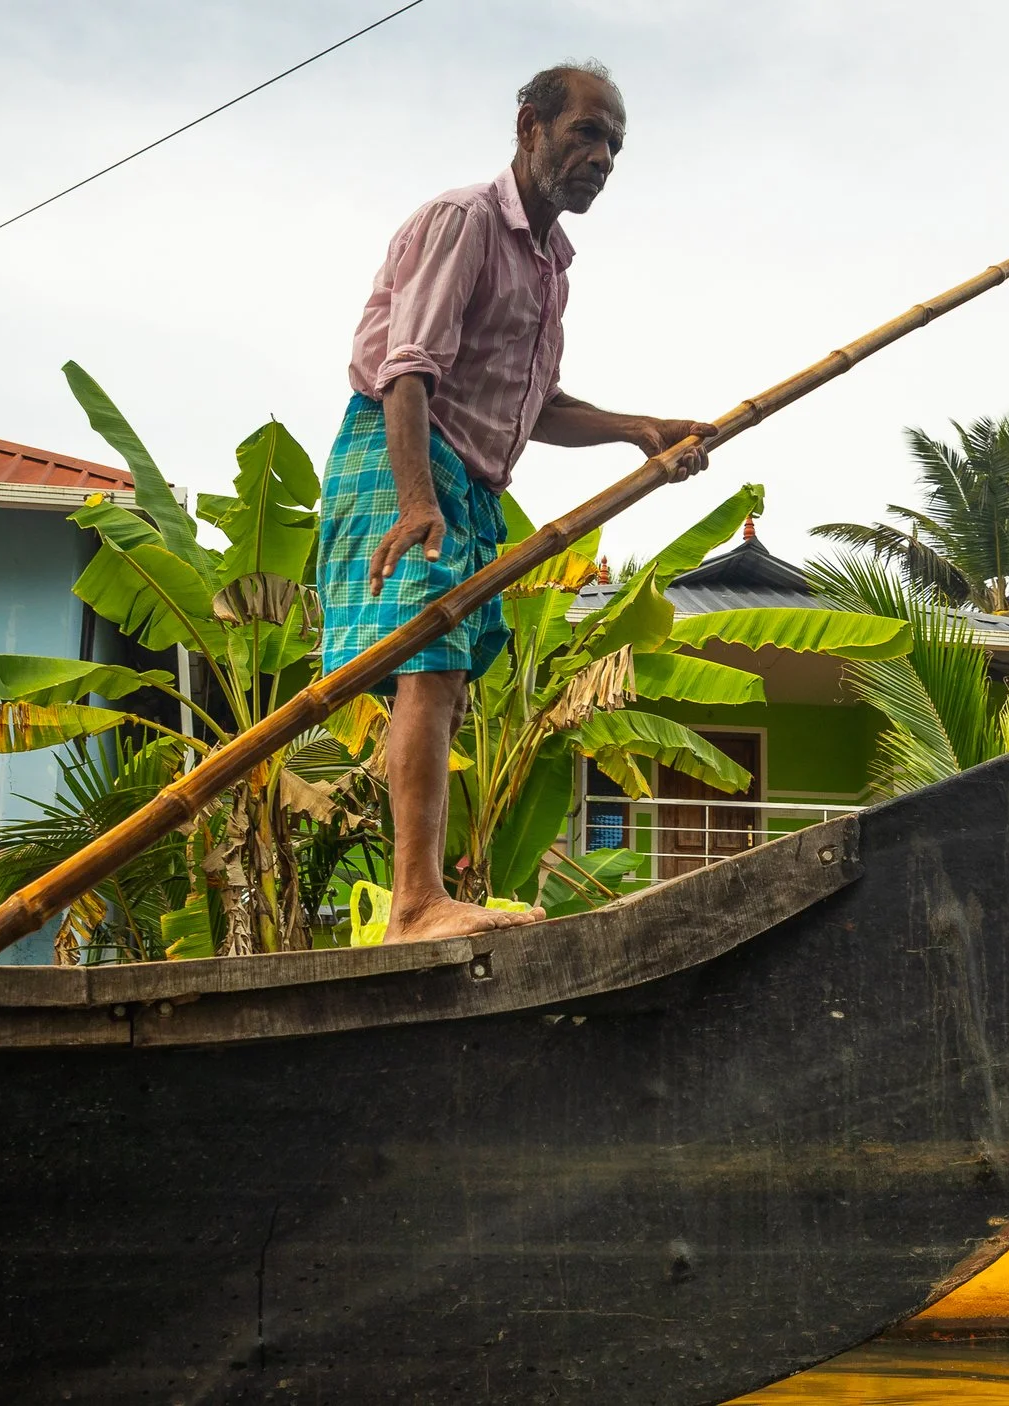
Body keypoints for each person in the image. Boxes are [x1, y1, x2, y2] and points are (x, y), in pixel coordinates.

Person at [322, 61, 716, 944]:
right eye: (587, 132)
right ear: (529, 126)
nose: (603, 157)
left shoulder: (551, 269)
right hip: (400, 455)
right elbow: (408, 368)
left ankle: (426, 896)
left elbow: (536, 406)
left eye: (615, 144)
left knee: (449, 678)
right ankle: (415, 904)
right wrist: (418, 500)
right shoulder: (465, 221)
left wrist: (639, 429)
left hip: (464, 478)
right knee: (427, 669)